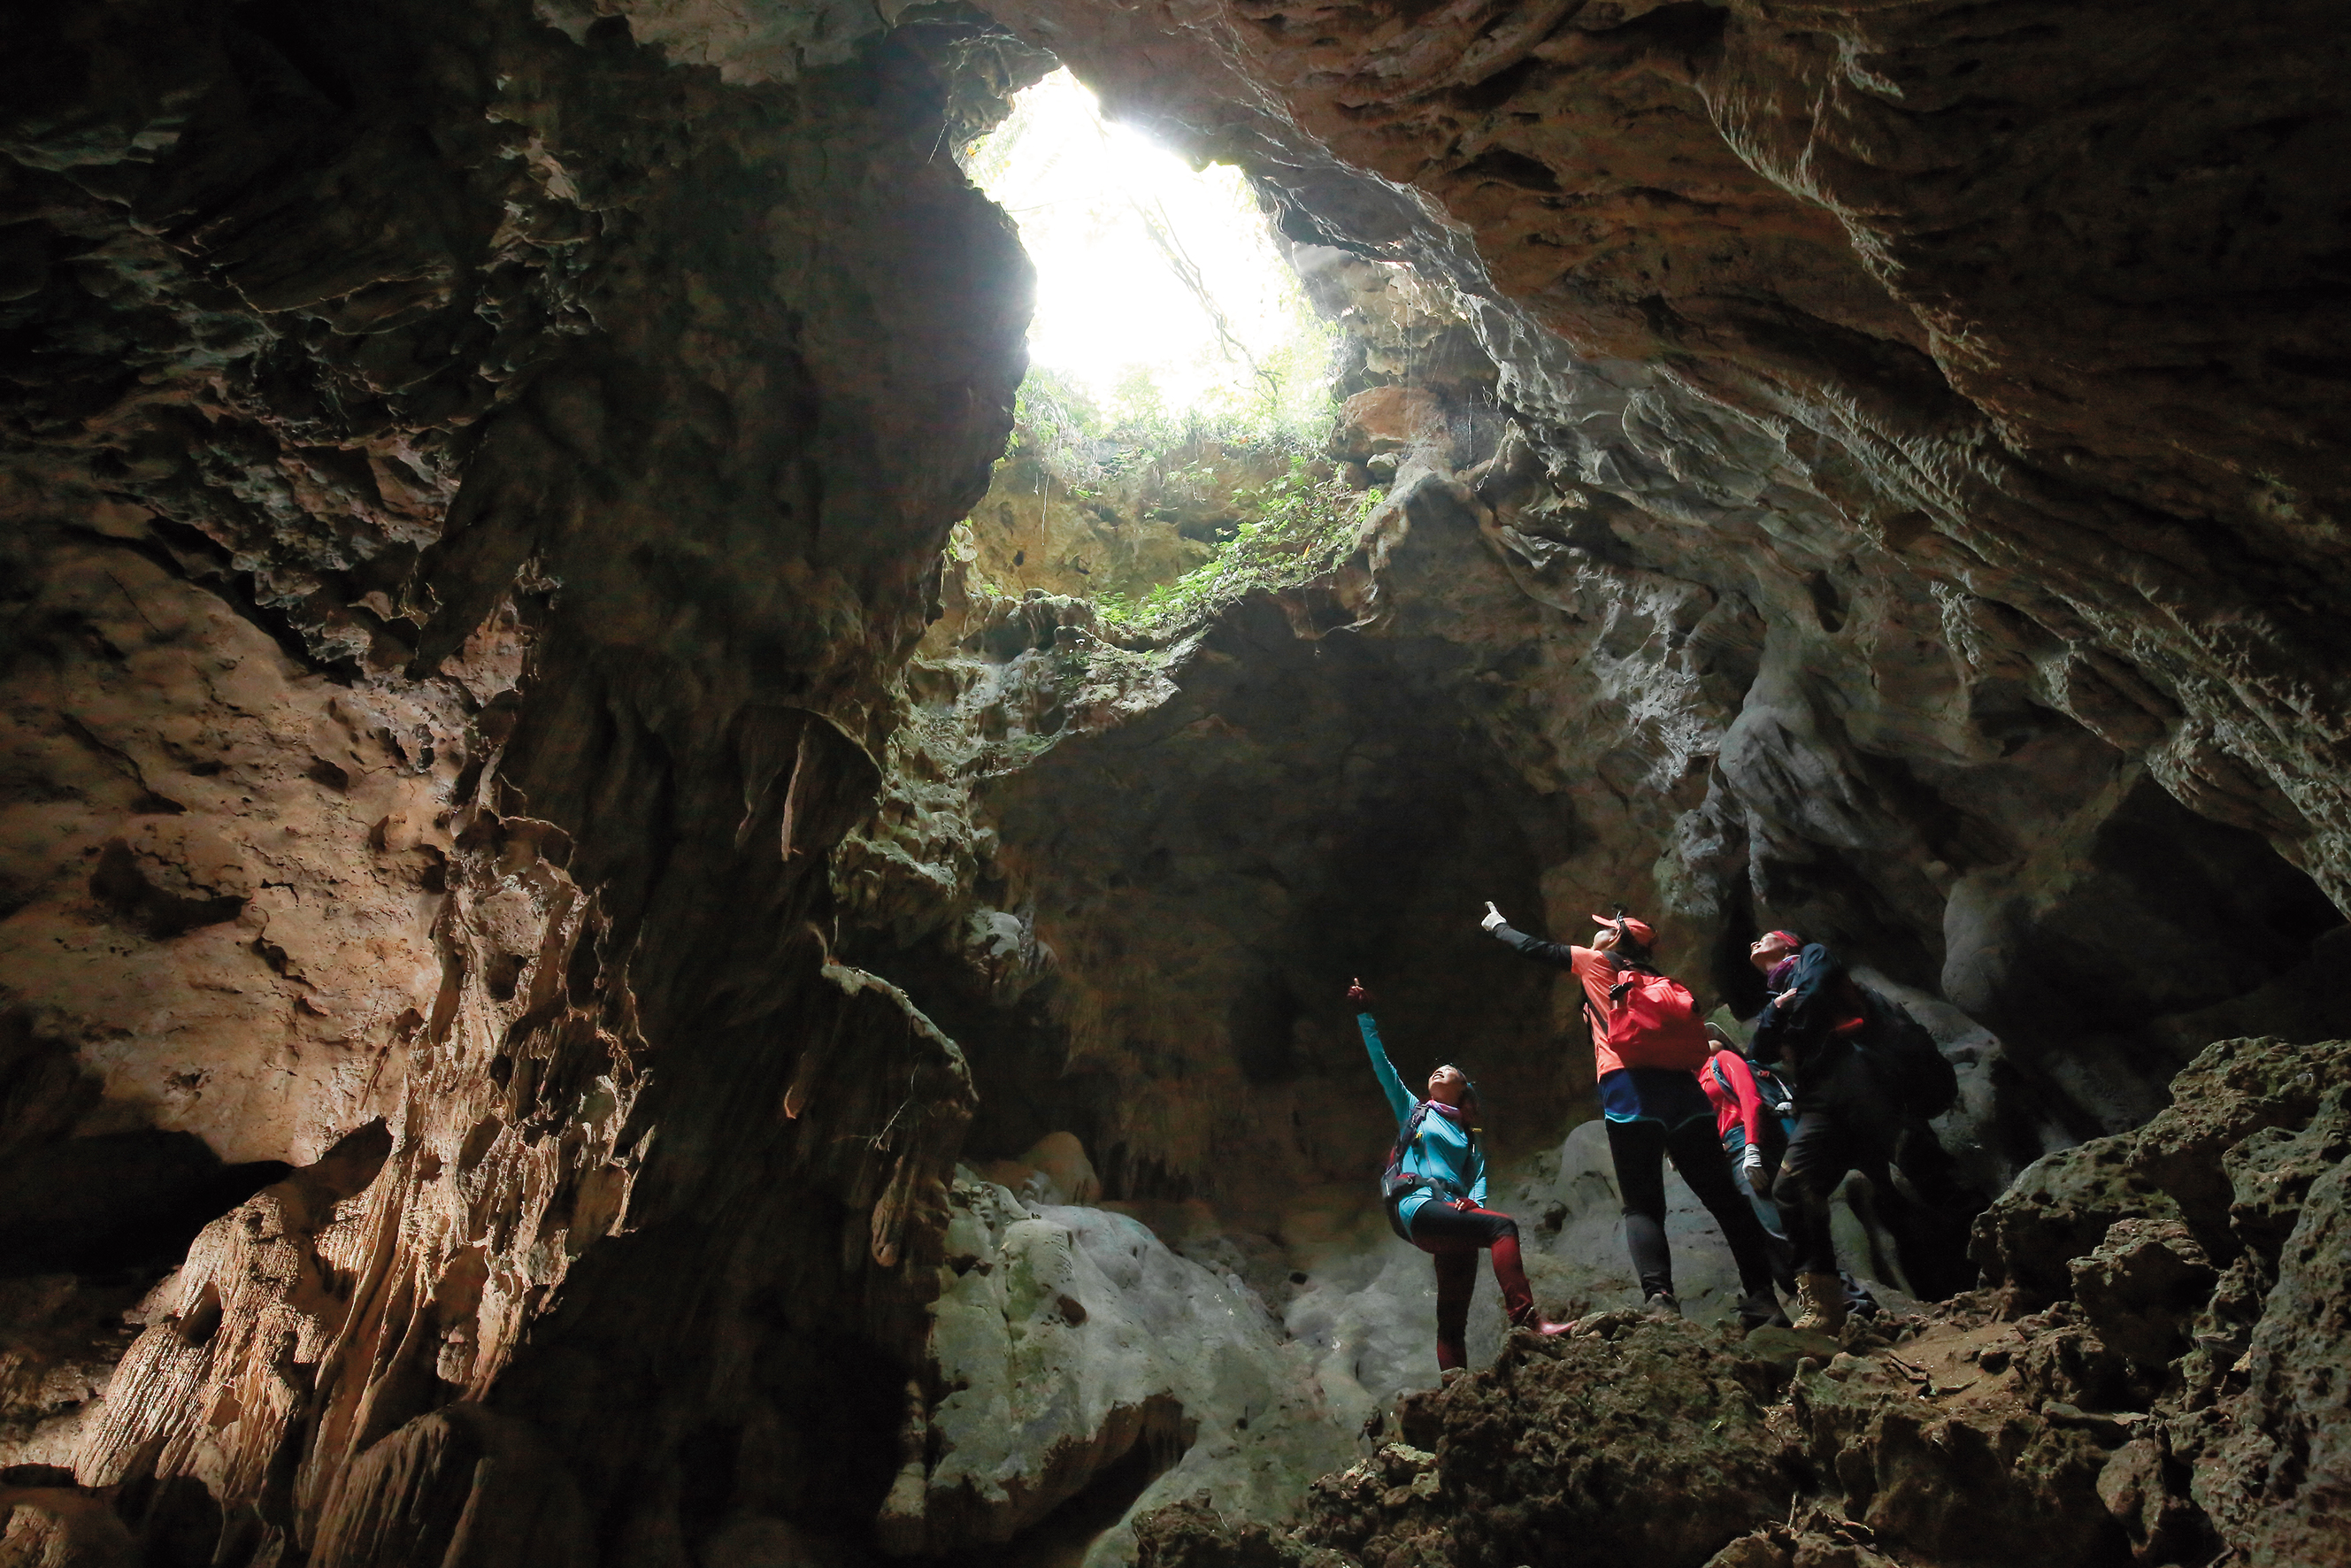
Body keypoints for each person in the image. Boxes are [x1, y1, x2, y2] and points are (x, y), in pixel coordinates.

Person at [1479, 903, 1786, 1328]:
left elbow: (1534, 948)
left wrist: (1498, 925)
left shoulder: (1596, 964)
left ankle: (1661, 1301)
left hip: (1630, 1092)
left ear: (1615, 939)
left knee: (1642, 1206)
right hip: (1684, 1094)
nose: (1595, 935)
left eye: (1603, 930)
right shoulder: (1662, 981)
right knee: (1726, 1203)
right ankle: (1764, 1298)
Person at [1747, 929, 1978, 1326]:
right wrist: (1778, 1011)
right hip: (1819, 1099)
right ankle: (1824, 1304)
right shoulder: (1776, 997)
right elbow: (1759, 1053)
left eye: (1766, 937)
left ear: (1789, 943)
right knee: (1791, 1189)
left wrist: (1787, 1016)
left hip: (1862, 1074)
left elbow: (1814, 996)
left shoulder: (1813, 956)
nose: (1755, 943)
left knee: (1920, 1163)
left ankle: (1999, 1252)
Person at [1352, 980, 1570, 1374]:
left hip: (1451, 1214)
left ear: (1465, 1091)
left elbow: (1479, 1184)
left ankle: (1454, 1390)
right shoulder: (1415, 1110)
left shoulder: (1471, 1142)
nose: (1438, 1070)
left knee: (1452, 1319)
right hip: (1417, 1205)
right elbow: (1382, 1066)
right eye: (1436, 1070)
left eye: (1448, 1070)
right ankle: (1528, 1322)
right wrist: (1365, 1016)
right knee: (1503, 1228)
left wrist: (1474, 1206)